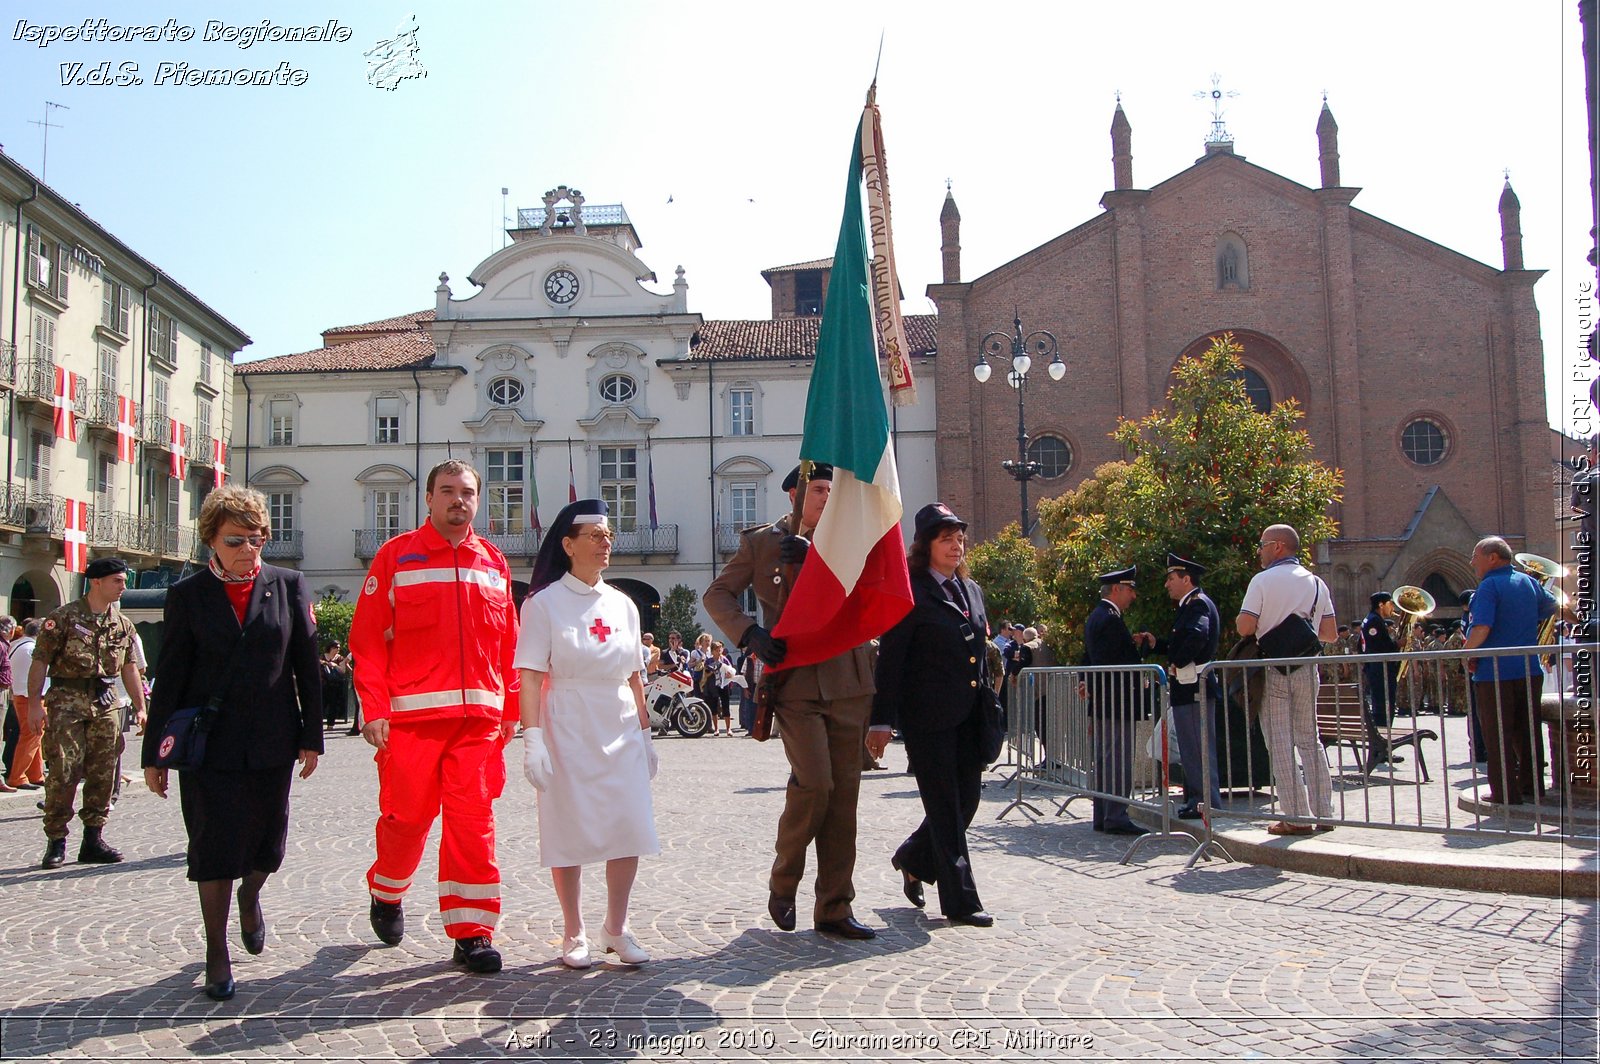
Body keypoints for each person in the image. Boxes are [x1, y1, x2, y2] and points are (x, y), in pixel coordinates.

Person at [142, 486, 323, 1001]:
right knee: (214, 845)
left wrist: (312, 735)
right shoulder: (189, 595)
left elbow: (305, 668)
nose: (248, 549)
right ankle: (216, 950)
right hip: (209, 745)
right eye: (235, 539)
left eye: (257, 538)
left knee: (267, 847)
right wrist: (154, 751)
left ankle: (251, 893)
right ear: (211, 542)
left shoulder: (288, 586)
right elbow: (170, 675)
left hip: (272, 738)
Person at [349, 459, 520, 975]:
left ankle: (472, 932)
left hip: (479, 724)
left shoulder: (493, 561)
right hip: (411, 724)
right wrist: (374, 708)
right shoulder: (396, 557)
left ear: (477, 499)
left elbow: (509, 645)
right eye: (447, 491)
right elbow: (367, 641)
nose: (458, 501)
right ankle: (387, 889)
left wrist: (511, 709)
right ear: (428, 499)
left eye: (467, 492)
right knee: (406, 820)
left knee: (473, 825)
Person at [703, 462, 879, 940]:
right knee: (816, 784)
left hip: (849, 679)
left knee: (844, 797)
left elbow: (865, 596)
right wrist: (749, 633)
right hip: (796, 682)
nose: (826, 498)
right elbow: (718, 593)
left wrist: (819, 558)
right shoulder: (761, 542)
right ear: (794, 497)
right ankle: (784, 882)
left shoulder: (847, 539)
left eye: (830, 490)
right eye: (818, 489)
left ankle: (835, 907)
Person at [516, 499, 658, 969]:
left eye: (609, 535)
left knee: (629, 826)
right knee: (569, 827)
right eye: (595, 535)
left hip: (618, 721)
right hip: (568, 722)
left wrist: (645, 731)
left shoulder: (623, 604)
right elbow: (532, 675)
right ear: (568, 543)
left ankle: (615, 927)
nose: (606, 543)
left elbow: (635, 673)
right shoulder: (543, 603)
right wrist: (532, 737)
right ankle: (573, 929)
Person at [868, 503, 995, 927]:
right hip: (928, 717)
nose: (956, 545)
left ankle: (913, 857)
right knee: (944, 809)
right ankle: (961, 902)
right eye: (946, 538)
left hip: (970, 715)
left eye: (960, 538)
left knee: (968, 800)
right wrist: (881, 720)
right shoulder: (910, 590)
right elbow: (892, 658)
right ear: (926, 545)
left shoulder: (971, 590)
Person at [31, 557, 145, 869]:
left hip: (106, 703)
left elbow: (129, 667)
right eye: (117, 581)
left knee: (103, 773)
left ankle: (93, 839)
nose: (123, 586)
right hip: (67, 700)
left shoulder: (122, 625)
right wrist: (33, 705)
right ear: (97, 581)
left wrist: (141, 707)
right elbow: (40, 662)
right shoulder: (63, 618)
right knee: (64, 771)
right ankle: (56, 840)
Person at [1236, 524, 1337, 836]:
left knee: (1279, 742)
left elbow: (1245, 627)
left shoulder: (1262, 581)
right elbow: (1330, 634)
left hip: (1275, 667)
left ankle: (1295, 817)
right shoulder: (1317, 582)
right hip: (1308, 667)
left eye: (1263, 545)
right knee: (1311, 738)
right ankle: (1325, 813)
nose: (1260, 551)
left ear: (1278, 546)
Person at [1462, 535, 1558, 806]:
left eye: (1475, 556)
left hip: (1495, 674)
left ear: (1492, 558)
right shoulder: (1527, 581)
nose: (1472, 562)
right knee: (1527, 732)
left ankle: (1505, 793)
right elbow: (1556, 607)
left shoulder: (1489, 586)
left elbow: (1481, 627)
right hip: (1529, 671)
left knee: (1497, 735)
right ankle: (1532, 787)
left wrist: (1466, 654)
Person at [1082, 566, 1154, 836]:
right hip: (1116, 700)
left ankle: (1104, 813)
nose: (1133, 596)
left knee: (1105, 759)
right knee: (1116, 760)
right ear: (1117, 589)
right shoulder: (1110, 618)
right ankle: (1116, 815)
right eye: (1130, 590)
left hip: (1105, 701)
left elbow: (1091, 656)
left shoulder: (1098, 616)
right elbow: (1116, 660)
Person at [1155, 553, 1223, 820]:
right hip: (1188, 687)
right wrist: (1158, 645)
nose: (1167, 584)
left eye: (1171, 578)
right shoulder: (1189, 605)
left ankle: (1206, 801)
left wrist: (1177, 662)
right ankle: (1198, 799)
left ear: (1186, 579)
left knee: (1197, 747)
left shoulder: (1197, 605)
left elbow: (1197, 635)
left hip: (1194, 685)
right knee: (1191, 747)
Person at [1360, 592, 1402, 762]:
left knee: (1384, 709)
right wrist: (1398, 644)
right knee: (1384, 710)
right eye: (1390, 603)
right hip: (1380, 671)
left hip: (1378, 670)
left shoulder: (1372, 620)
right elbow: (1381, 648)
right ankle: (1382, 748)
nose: (1393, 608)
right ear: (1381, 605)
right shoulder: (1374, 621)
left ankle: (1383, 748)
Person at [6, 620, 45, 790]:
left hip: (21, 694)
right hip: (30, 697)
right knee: (31, 735)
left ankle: (36, 773)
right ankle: (17, 776)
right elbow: (35, 676)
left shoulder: (17, 644)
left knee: (35, 736)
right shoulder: (31, 649)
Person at [320, 642, 352, 729]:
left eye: (339, 648)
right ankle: (318, 722)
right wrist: (324, 663)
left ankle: (330, 724)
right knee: (321, 703)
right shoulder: (322, 656)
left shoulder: (340, 658)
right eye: (336, 647)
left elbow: (343, 671)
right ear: (331, 647)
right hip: (323, 683)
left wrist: (335, 665)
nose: (338, 649)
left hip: (335, 684)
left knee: (333, 704)